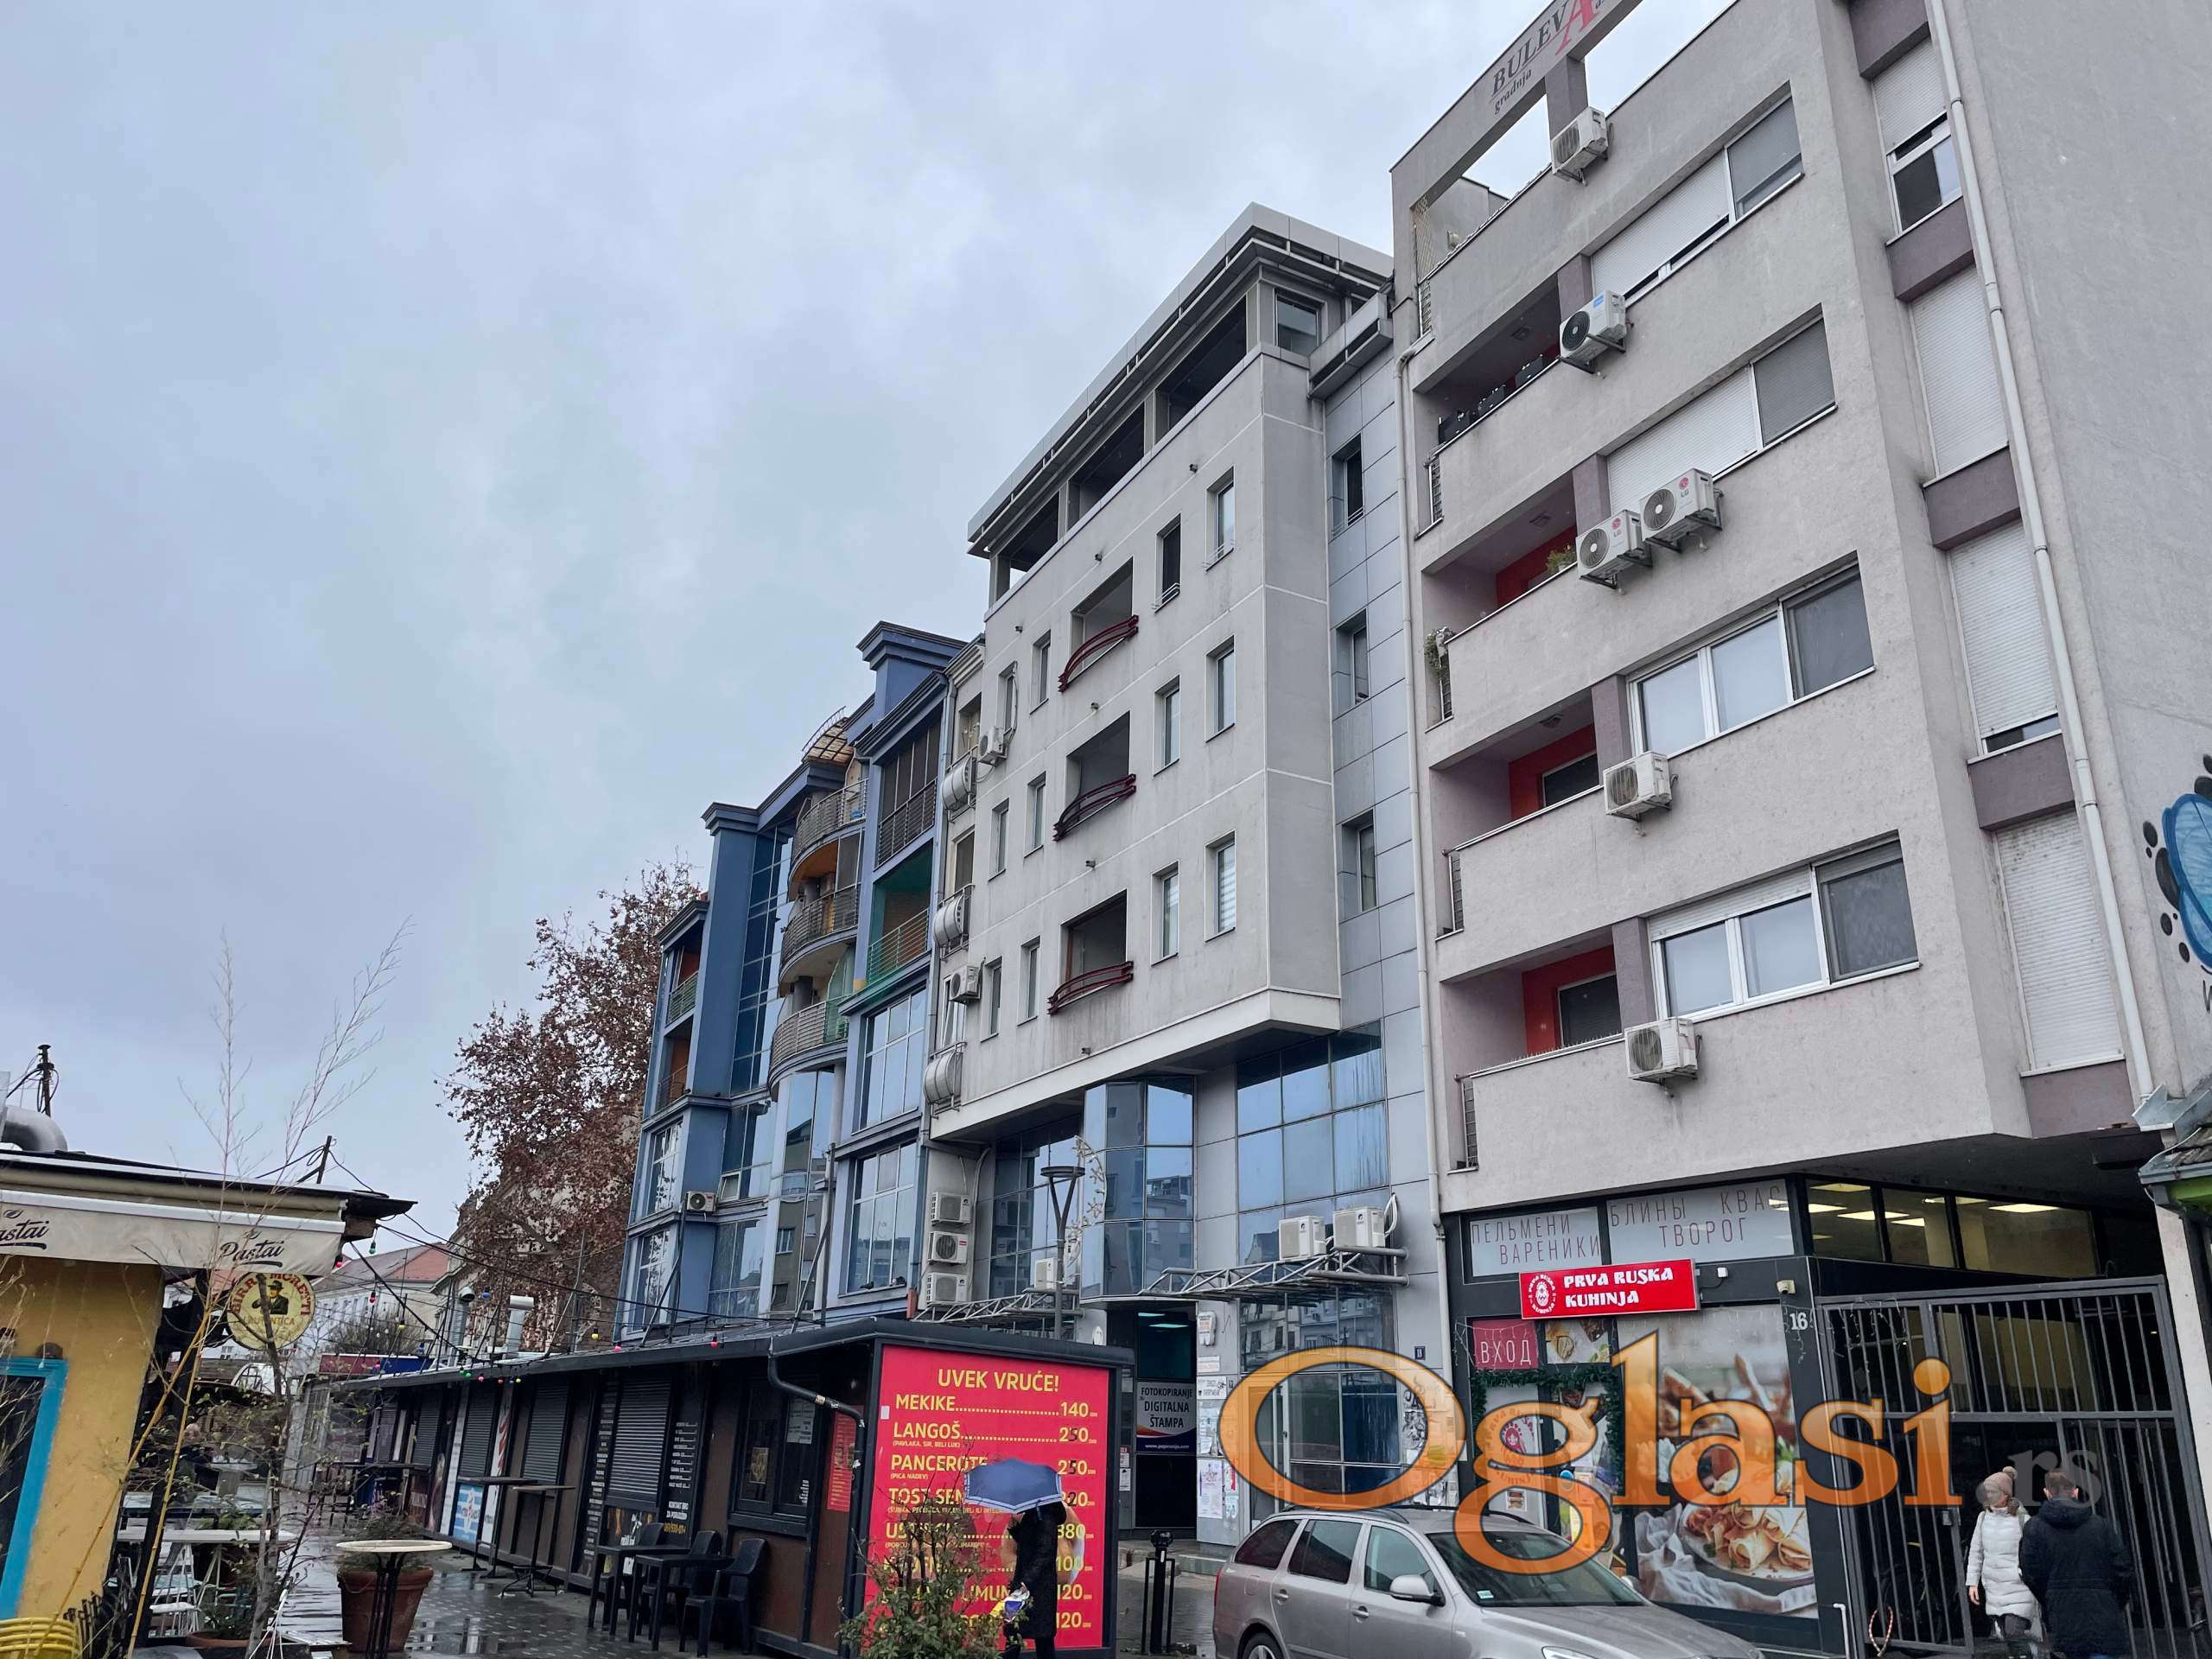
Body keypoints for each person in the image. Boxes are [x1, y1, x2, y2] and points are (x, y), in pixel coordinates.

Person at [2020, 1467, 2133, 1659]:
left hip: (2062, 1612)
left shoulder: (2034, 1528)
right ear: (2075, 1491)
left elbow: (2031, 1573)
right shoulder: (2100, 1525)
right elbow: (2123, 1569)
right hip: (2102, 1609)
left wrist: (2051, 1597)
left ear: (2047, 1493)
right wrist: (2113, 1600)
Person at [1967, 1474, 2041, 1657]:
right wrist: (1972, 1582)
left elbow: (2035, 1553)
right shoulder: (1983, 1518)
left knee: (2013, 1631)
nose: (1989, 1495)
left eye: (1993, 1491)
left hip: (2019, 1587)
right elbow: (1976, 1551)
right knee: (2007, 1636)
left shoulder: (2022, 1519)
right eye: (1987, 1492)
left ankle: (2029, 1654)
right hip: (1993, 1587)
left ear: (2006, 1493)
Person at [1000, 1499, 1067, 1658]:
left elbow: (1044, 1553)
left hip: (1038, 1587)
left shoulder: (1047, 1517)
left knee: (1041, 1638)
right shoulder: (1033, 1513)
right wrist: (1015, 1527)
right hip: (1025, 1581)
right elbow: (1027, 1543)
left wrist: (1026, 1582)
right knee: (1014, 1631)